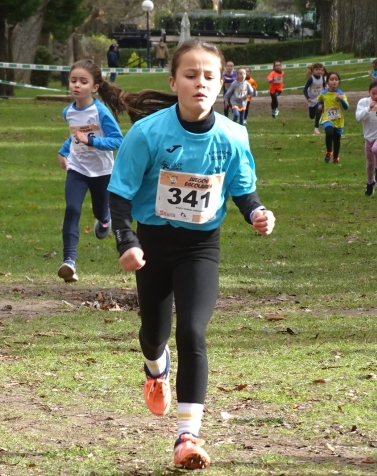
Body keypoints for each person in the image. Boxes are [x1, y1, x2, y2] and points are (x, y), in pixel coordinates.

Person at [106, 38, 276, 470]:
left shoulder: (234, 135)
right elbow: (119, 194)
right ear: (173, 81)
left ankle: (187, 437)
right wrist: (128, 241)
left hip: (201, 247)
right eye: (190, 75)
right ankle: (154, 370)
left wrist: (257, 212)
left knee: (193, 333)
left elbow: (242, 188)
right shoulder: (147, 133)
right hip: (153, 245)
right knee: (154, 334)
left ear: (222, 83)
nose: (200, 83)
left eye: (209, 76)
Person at [56, 59, 124, 283]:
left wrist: (92, 141)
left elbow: (118, 141)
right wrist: (64, 150)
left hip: (102, 171)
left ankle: (105, 221)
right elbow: (75, 135)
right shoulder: (69, 111)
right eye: (73, 80)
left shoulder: (100, 112)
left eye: (83, 82)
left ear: (94, 87)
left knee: (100, 212)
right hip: (77, 168)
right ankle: (69, 262)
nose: (77, 85)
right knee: (72, 209)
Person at [317, 71, 348, 164]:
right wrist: (319, 105)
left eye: (336, 79)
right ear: (327, 82)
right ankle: (329, 151)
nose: (334, 81)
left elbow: (346, 107)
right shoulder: (323, 93)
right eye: (331, 79)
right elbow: (319, 101)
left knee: (337, 140)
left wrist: (341, 100)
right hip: (327, 118)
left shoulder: (341, 94)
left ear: (339, 82)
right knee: (329, 133)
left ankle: (335, 158)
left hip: (338, 120)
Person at [303, 63, 326, 135]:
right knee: (312, 116)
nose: (319, 71)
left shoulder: (322, 77)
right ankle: (316, 117)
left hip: (319, 98)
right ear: (313, 70)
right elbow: (305, 89)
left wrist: (325, 90)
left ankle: (316, 128)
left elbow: (324, 86)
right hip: (311, 99)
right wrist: (308, 97)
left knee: (319, 111)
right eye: (317, 70)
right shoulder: (311, 79)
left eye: (320, 69)